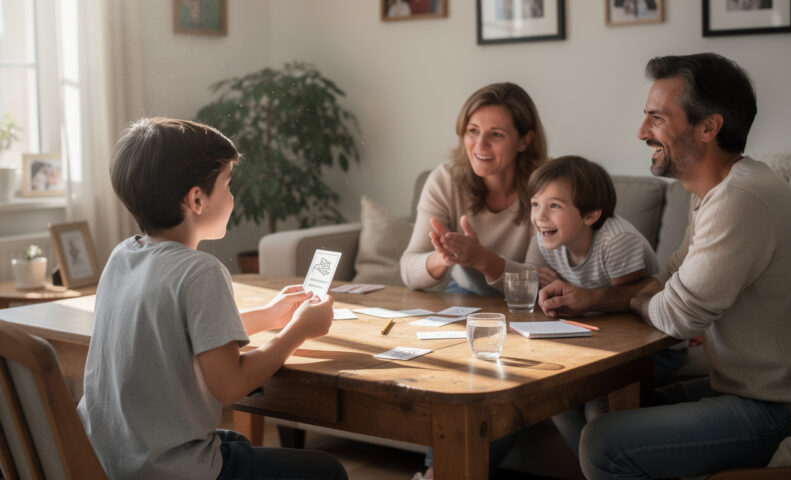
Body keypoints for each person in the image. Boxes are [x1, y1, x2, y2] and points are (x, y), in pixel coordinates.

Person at [540, 53, 791, 478]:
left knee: (604, 443)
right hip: (742, 389)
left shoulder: (739, 199)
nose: (641, 132)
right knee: (585, 402)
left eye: (657, 119)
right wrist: (595, 297)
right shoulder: (715, 191)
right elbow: (671, 272)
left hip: (774, 407)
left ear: (708, 127)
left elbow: (677, 315)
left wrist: (639, 301)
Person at [77, 117, 347, 480]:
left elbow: (175, 334)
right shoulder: (200, 271)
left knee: (235, 442)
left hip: (113, 460)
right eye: (228, 184)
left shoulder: (123, 256)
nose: (234, 197)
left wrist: (269, 315)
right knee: (327, 471)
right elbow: (231, 385)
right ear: (197, 198)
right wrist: (298, 332)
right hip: (168, 470)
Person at [401, 82, 547, 479]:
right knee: (455, 375)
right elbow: (410, 269)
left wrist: (483, 259)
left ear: (524, 140)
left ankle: (436, 475)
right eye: (472, 131)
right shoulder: (446, 178)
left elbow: (537, 285)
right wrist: (442, 257)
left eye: (496, 134)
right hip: (463, 304)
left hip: (527, 315)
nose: (480, 144)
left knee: (509, 387)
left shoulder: (545, 186)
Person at [526, 155, 689, 455]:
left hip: (654, 346)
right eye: (536, 204)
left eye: (554, 206)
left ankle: (614, 464)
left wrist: (582, 302)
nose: (540, 216)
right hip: (597, 338)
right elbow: (537, 282)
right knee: (553, 400)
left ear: (590, 215)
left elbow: (633, 305)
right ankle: (598, 468)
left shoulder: (616, 242)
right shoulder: (546, 238)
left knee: (599, 408)